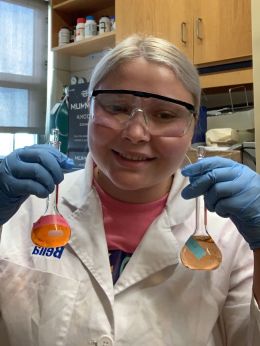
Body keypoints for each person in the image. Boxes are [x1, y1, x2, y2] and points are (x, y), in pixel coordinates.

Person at [0, 34, 260, 346]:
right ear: (91, 110)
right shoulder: (23, 204)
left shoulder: (231, 229)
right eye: (117, 108)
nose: (136, 133)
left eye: (165, 115)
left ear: (192, 127)